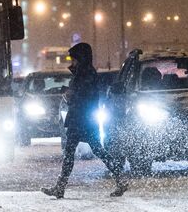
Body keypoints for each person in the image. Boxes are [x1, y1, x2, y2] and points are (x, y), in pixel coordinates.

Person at [42, 42, 128, 199]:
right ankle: (120, 179)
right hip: (85, 118)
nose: (72, 63)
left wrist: (70, 95)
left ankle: (60, 187)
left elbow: (83, 96)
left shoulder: (85, 74)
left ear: (80, 59)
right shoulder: (85, 73)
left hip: (81, 118)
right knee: (97, 150)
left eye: (74, 59)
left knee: (71, 152)